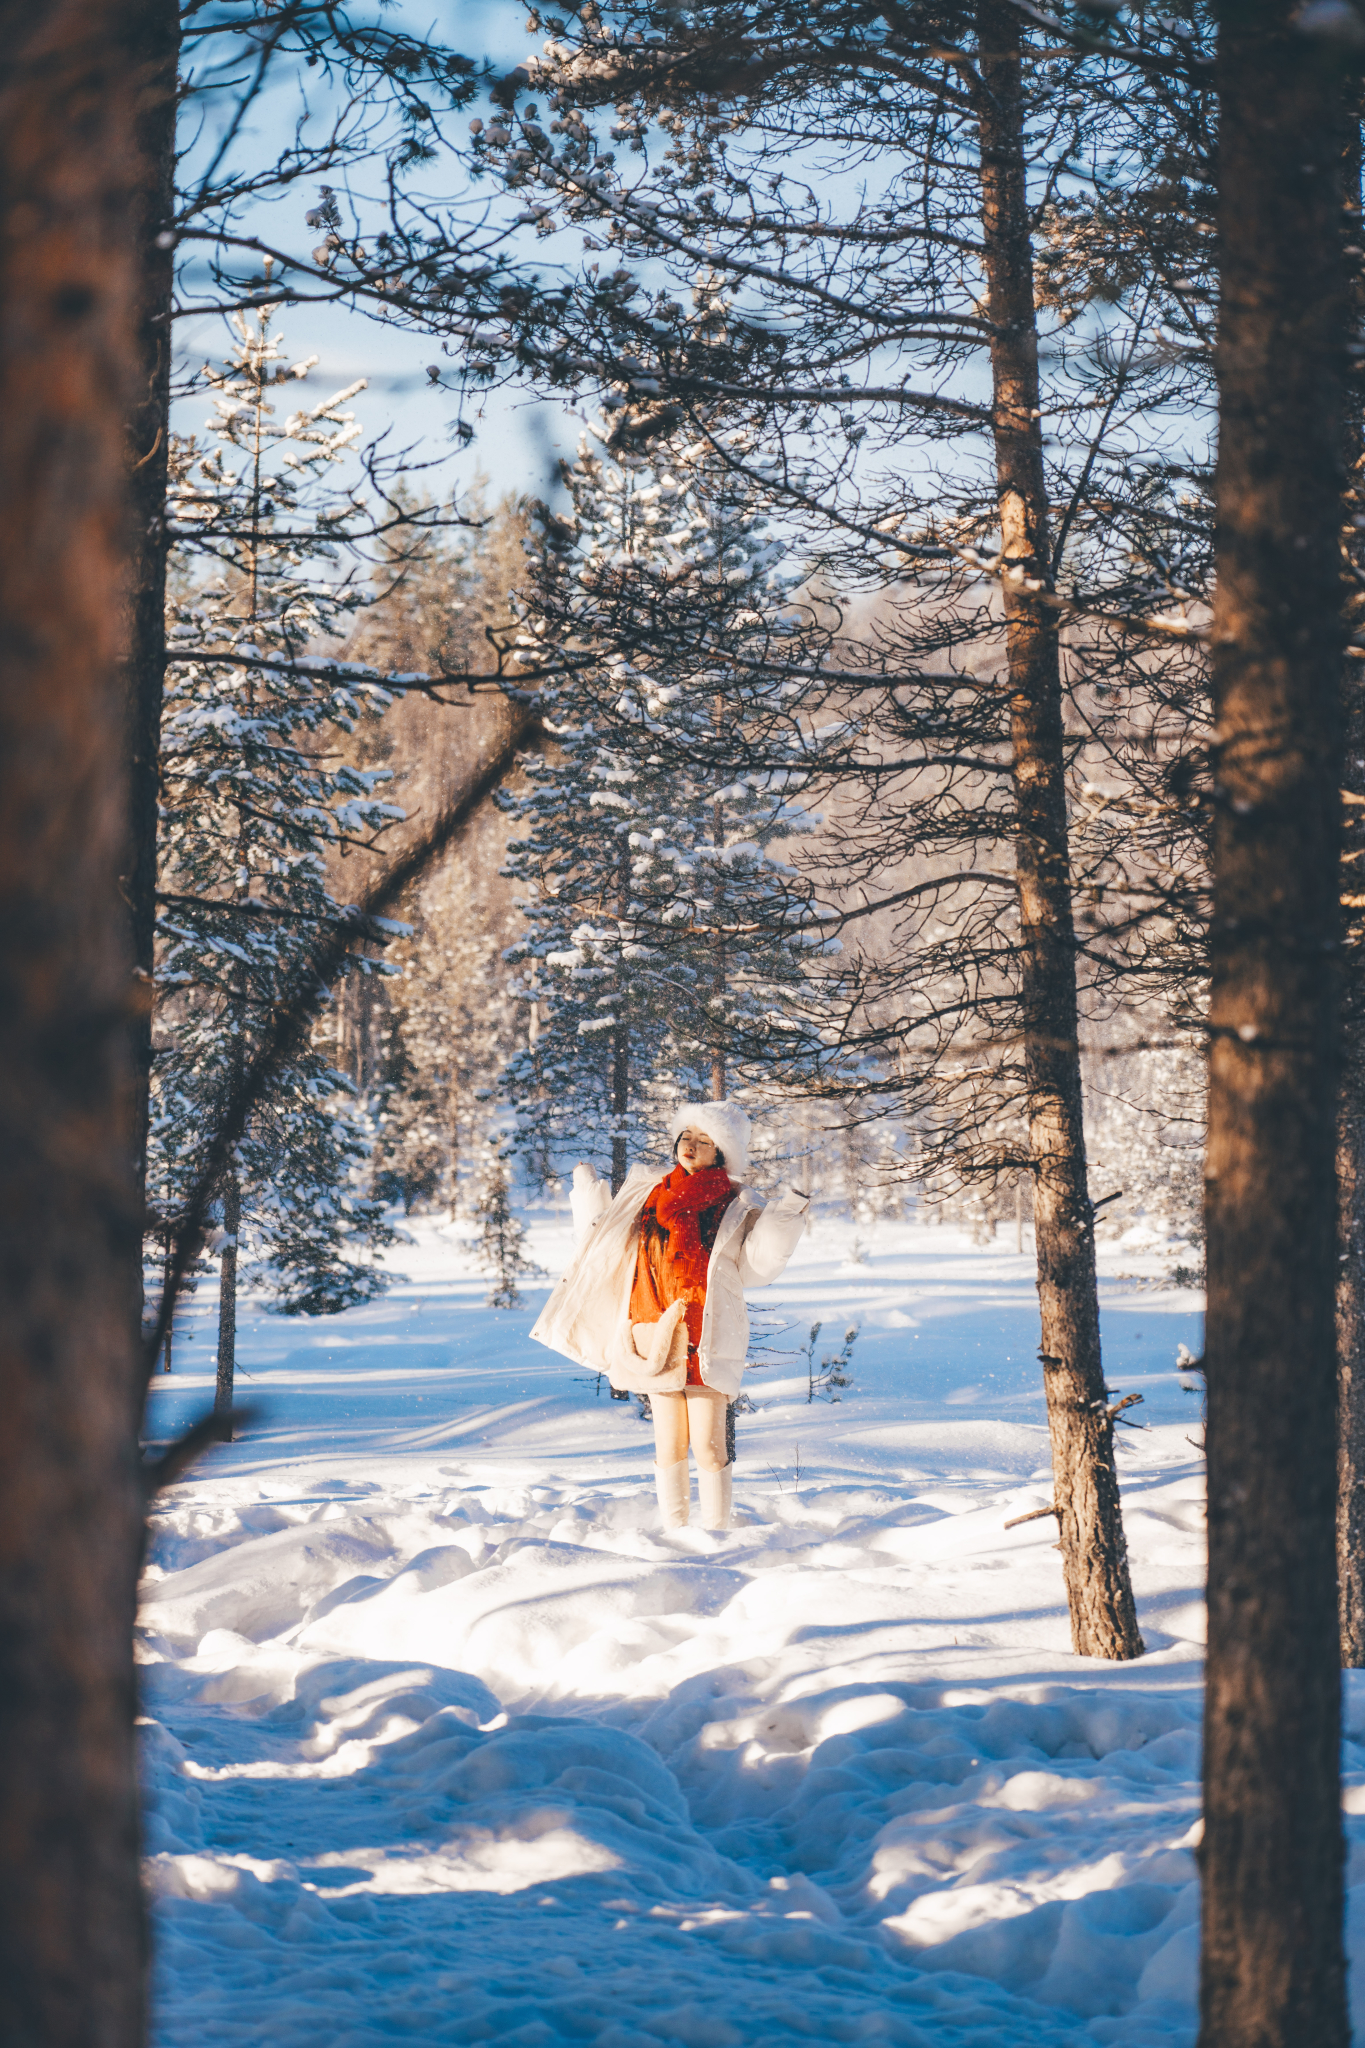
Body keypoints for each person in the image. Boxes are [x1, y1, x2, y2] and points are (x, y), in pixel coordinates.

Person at [529, 1100, 809, 1531]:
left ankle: (717, 1534)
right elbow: (600, 1243)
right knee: (668, 1445)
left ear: (721, 1153)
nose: (691, 1146)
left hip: (706, 1330)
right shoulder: (650, 1193)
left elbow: (759, 1265)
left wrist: (786, 1215)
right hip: (652, 1328)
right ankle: (676, 1533)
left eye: (704, 1141)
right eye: (687, 1137)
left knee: (710, 1447)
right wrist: (586, 1192)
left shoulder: (734, 1203)